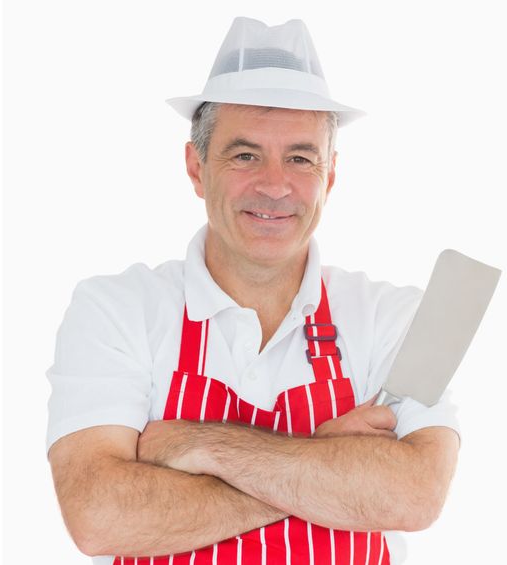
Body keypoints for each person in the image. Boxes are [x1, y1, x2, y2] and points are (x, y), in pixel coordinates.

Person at [45, 17, 460, 565]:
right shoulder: (117, 309)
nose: (274, 184)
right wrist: (330, 466)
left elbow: (415, 495)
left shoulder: (398, 317)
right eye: (244, 155)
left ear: (330, 175)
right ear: (196, 168)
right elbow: (99, 517)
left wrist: (196, 446)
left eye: (300, 157)